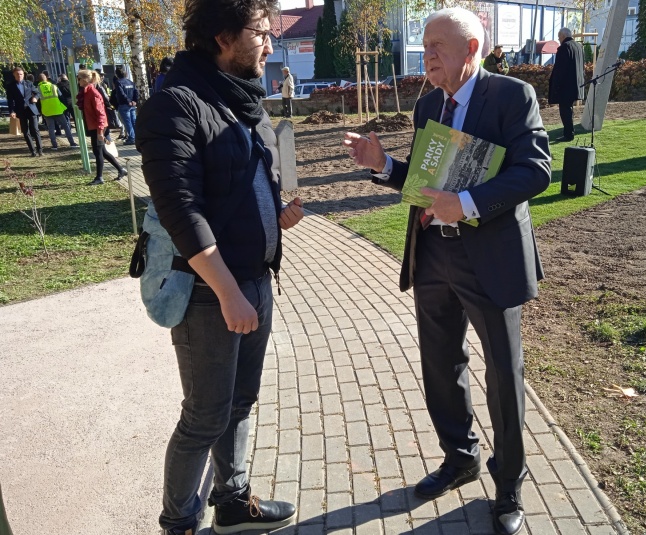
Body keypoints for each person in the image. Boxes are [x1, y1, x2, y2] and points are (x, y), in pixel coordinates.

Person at [343, 7, 551, 535]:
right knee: (439, 364)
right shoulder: (428, 104)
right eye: (426, 44)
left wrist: (468, 202)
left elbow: (535, 171)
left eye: (439, 45)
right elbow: (425, 181)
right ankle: (460, 459)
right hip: (433, 254)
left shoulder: (510, 96)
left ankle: (508, 486)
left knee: (503, 374)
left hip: (490, 259)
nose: (427, 54)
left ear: (472, 50)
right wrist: (384, 165)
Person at [135, 0, 303, 533]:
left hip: (254, 281)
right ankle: (180, 522)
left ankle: (232, 503)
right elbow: (181, 210)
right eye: (262, 32)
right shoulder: (174, 104)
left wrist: (276, 217)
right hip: (212, 294)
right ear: (223, 36)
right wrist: (229, 291)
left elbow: (236, 184)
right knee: (205, 416)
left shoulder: (241, 100)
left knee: (241, 402)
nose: (271, 44)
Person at [76, 69, 127, 185]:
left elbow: (101, 114)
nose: (77, 81)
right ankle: (121, 170)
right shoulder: (86, 92)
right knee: (102, 151)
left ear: (84, 80)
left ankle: (99, 177)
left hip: (98, 126)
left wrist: (100, 132)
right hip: (94, 126)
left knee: (98, 152)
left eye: (78, 78)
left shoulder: (93, 93)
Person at [548, 27, 584, 142]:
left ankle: (568, 134)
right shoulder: (579, 47)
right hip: (577, 84)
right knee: (569, 109)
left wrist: (556, 86)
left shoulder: (564, 47)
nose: (559, 40)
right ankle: (570, 131)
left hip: (566, 86)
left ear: (563, 36)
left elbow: (560, 69)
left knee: (565, 110)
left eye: (559, 38)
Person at [5, 67, 43, 157]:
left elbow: (38, 93)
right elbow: (10, 100)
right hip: (20, 111)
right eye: (17, 74)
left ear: (23, 75)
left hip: (31, 109)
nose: (19, 76)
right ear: (14, 75)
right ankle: (33, 151)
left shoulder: (29, 83)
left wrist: (35, 98)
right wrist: (12, 111)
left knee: (35, 129)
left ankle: (40, 150)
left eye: (21, 74)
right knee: (26, 132)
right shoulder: (10, 86)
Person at [37, 73, 78, 149]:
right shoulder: (54, 86)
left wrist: (40, 111)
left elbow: (38, 102)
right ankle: (72, 143)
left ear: (38, 80)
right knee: (66, 126)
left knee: (51, 128)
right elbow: (61, 97)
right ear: (46, 78)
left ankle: (54, 145)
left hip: (47, 111)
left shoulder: (38, 88)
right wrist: (64, 107)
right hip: (57, 109)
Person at [112, 67, 138, 145]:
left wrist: (128, 101)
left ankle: (131, 138)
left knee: (127, 122)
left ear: (117, 74)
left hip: (124, 105)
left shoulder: (118, 82)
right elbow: (136, 92)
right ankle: (137, 137)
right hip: (132, 105)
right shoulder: (130, 82)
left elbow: (121, 93)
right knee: (134, 121)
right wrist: (134, 101)